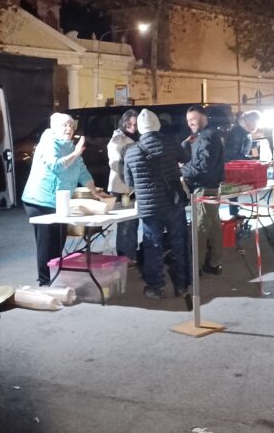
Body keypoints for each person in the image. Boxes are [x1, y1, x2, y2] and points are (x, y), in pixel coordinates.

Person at [22, 113, 107, 285]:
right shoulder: (48, 143)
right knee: (47, 242)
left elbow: (81, 170)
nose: (69, 128)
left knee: (59, 240)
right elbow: (55, 165)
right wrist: (75, 153)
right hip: (39, 201)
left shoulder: (69, 145)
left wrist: (94, 191)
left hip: (60, 202)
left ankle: (55, 276)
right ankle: (45, 281)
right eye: (65, 125)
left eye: (71, 125)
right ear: (54, 128)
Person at [124, 109, 192, 305]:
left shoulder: (131, 151)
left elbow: (129, 181)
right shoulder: (170, 143)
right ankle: (182, 285)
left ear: (140, 128)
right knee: (178, 243)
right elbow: (185, 158)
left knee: (153, 246)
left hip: (149, 207)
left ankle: (156, 287)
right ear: (157, 125)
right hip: (173, 202)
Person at [181, 105, 225, 275]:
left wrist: (182, 169)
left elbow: (203, 166)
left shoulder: (207, 138)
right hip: (210, 187)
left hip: (204, 188)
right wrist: (186, 144)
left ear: (204, 118)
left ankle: (195, 268)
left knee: (200, 229)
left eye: (194, 119)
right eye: (188, 120)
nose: (190, 123)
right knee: (213, 227)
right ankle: (214, 263)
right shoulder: (202, 137)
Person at [107, 109, 140, 263]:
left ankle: (131, 255)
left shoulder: (139, 138)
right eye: (129, 124)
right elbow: (114, 163)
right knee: (125, 224)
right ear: (123, 123)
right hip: (122, 187)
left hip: (135, 187)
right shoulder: (117, 139)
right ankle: (124, 257)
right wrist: (130, 177)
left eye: (135, 124)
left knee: (134, 221)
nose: (132, 127)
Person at [223, 110, 262, 218]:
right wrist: (251, 161)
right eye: (256, 122)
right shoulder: (238, 132)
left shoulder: (244, 131)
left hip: (236, 165)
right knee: (232, 191)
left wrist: (254, 145)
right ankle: (234, 215)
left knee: (234, 192)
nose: (257, 125)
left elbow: (242, 147)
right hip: (231, 166)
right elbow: (232, 153)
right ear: (250, 121)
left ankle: (235, 214)